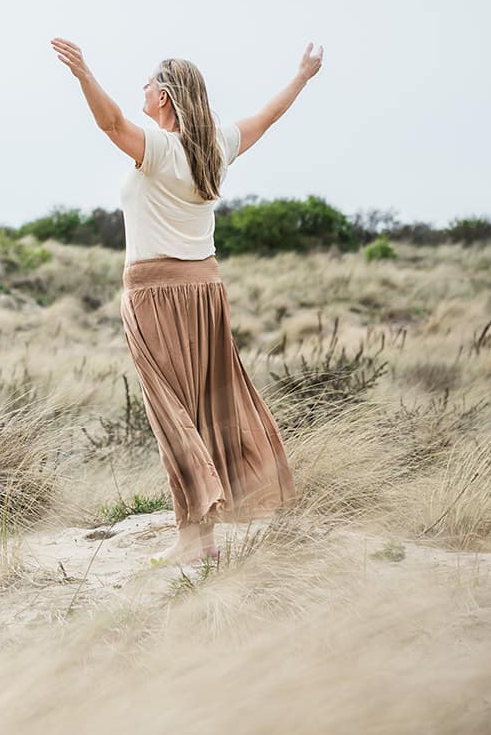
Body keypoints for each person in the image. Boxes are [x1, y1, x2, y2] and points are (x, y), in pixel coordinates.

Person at [48, 38, 321, 565]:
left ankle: (191, 539)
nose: (142, 92)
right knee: (198, 410)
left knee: (170, 414)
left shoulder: (160, 148)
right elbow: (269, 116)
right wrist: (303, 76)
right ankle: (203, 535)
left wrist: (84, 73)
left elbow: (109, 124)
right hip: (205, 293)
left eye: (148, 85)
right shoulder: (217, 143)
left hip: (155, 295)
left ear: (166, 97)